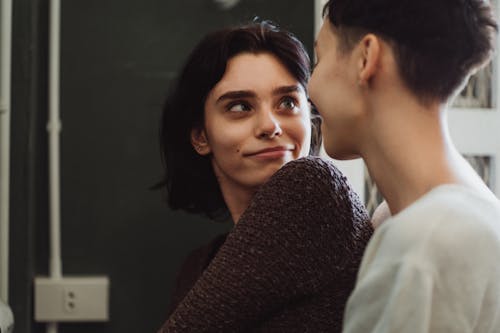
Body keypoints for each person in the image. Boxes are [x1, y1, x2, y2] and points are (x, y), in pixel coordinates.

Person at [157, 22, 373, 332]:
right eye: (241, 106)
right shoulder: (197, 266)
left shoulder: (314, 189)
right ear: (201, 136)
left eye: (287, 102)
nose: (270, 125)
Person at [309, 0, 500, 332]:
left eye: (319, 59)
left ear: (366, 58)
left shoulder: (426, 242)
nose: (310, 89)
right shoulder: (456, 216)